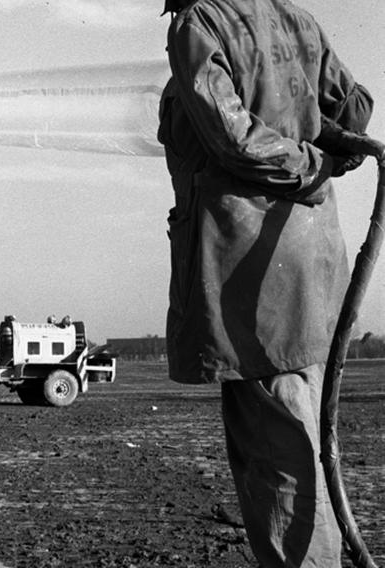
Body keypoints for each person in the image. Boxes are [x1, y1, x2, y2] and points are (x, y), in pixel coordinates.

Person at [158, 1, 384, 565]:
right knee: (299, 442)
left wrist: (306, 164)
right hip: (309, 266)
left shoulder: (200, 24)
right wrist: (318, 142)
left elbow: (232, 136)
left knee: (279, 463)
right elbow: (354, 107)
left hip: (248, 279)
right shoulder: (296, 17)